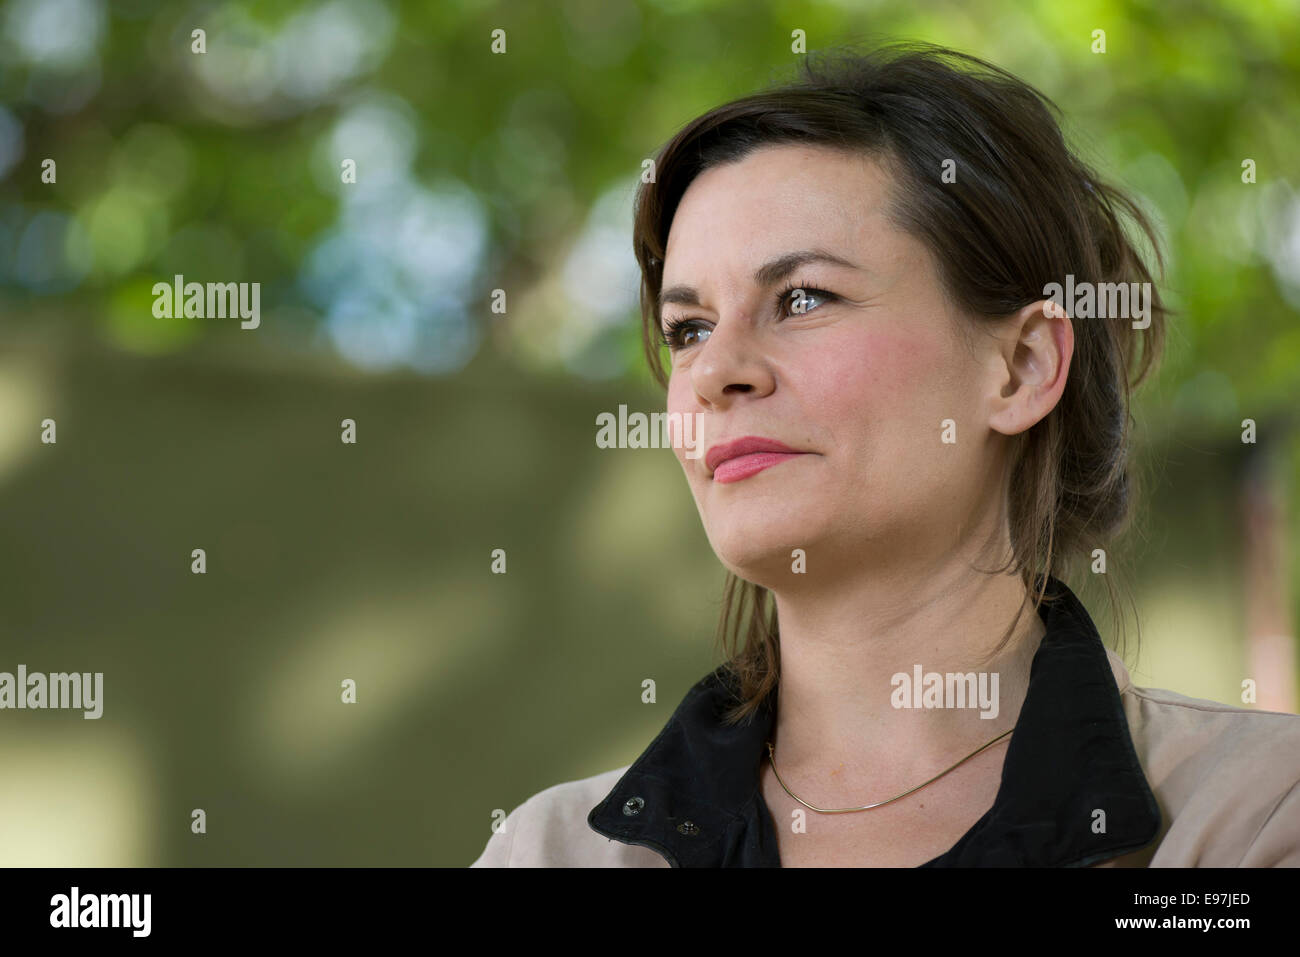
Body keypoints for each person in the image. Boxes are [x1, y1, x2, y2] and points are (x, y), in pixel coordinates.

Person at [471, 42, 1300, 867]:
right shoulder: (550, 851)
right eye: (688, 328)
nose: (715, 372)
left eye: (802, 298)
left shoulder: (1253, 816)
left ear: (1021, 366)